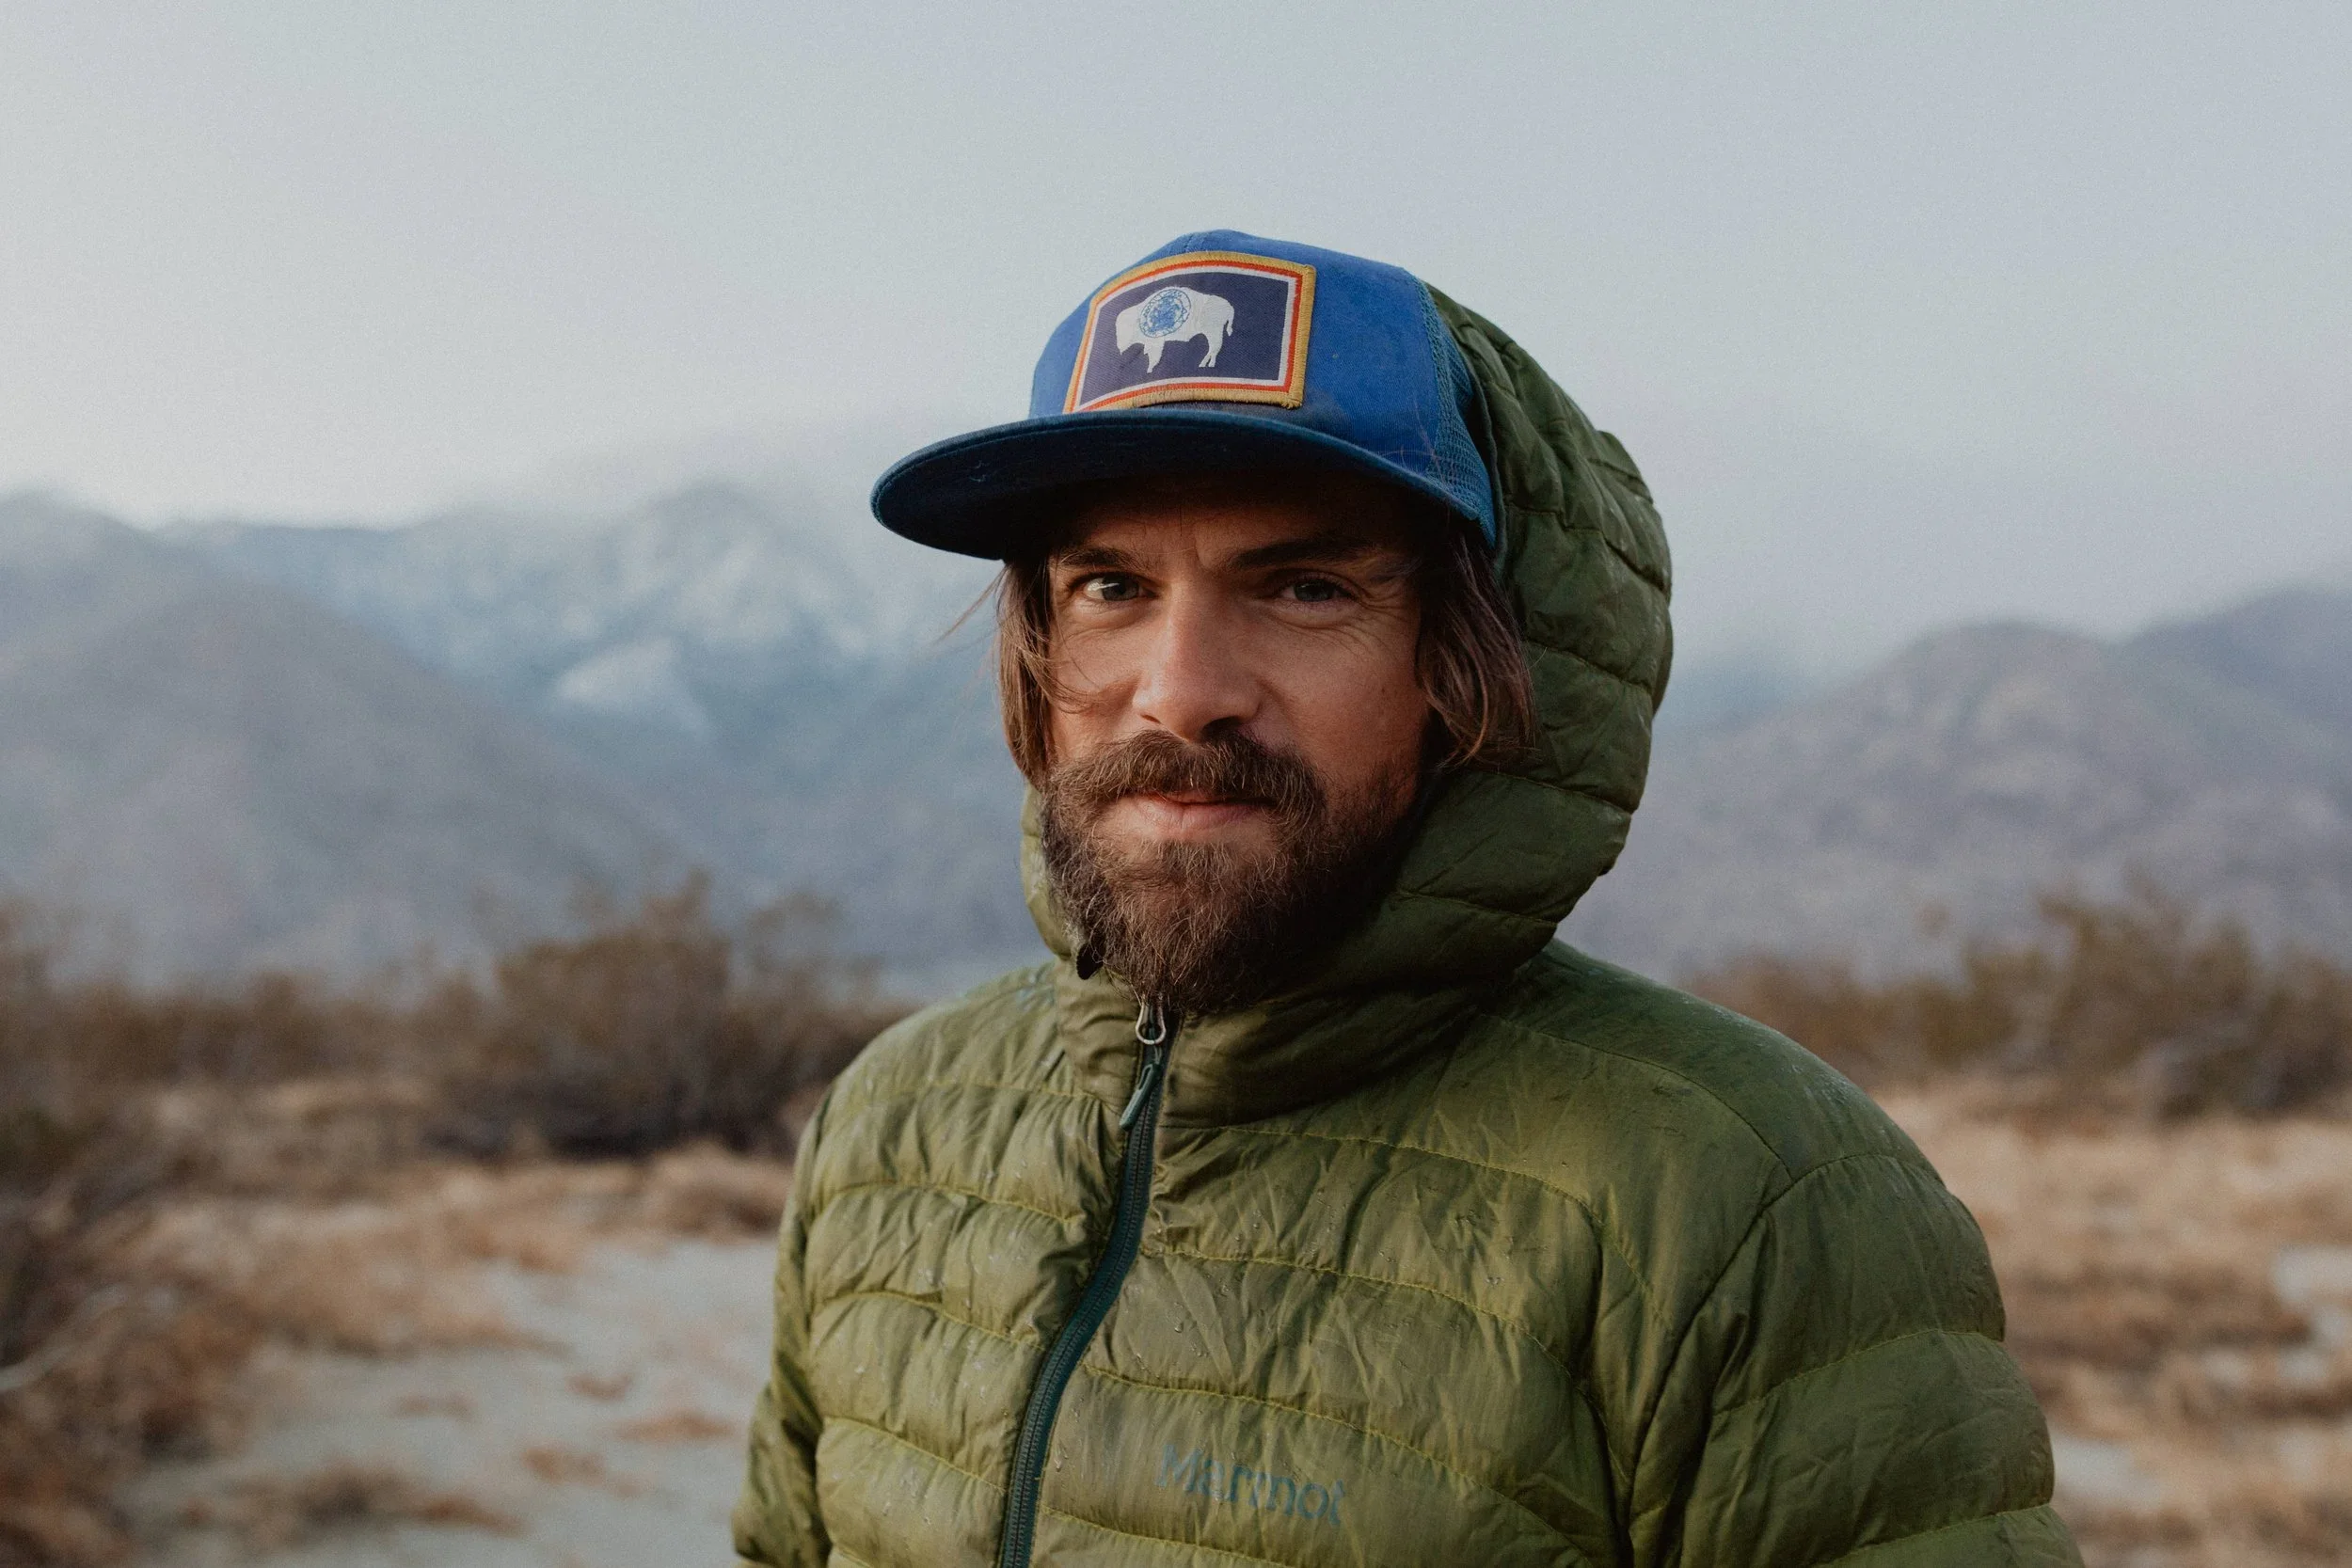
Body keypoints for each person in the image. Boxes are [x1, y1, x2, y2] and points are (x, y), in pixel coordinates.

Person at [735, 232, 2078, 1567]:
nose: (1182, 684)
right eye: (1110, 588)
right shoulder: (892, 1126)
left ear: (1469, 663)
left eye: (1305, 586)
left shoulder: (1744, 1203)